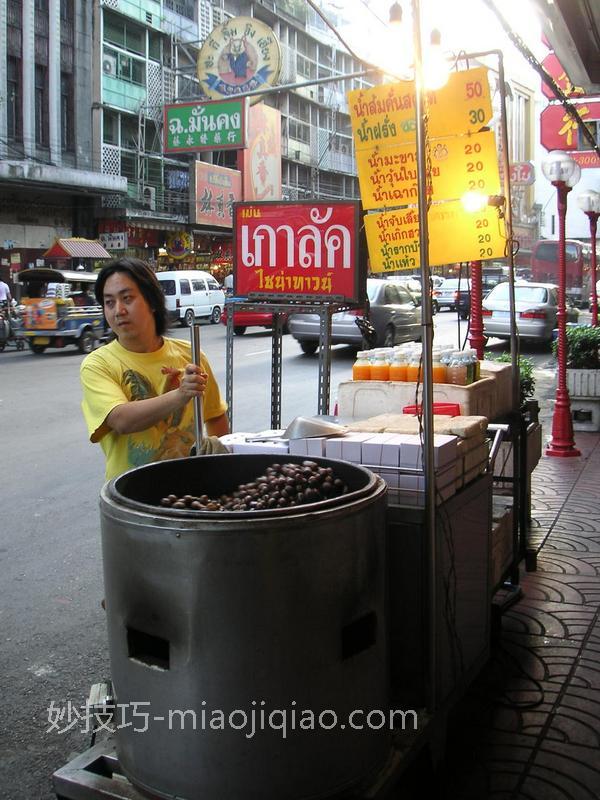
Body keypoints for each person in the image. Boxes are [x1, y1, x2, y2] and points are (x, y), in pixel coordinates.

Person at [80, 257, 229, 481]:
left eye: (127, 298)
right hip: (132, 495)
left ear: (151, 301)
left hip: (192, 490)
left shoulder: (191, 355)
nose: (118, 310)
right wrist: (180, 395)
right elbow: (122, 420)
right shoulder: (97, 364)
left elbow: (216, 416)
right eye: (109, 302)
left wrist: (224, 471)